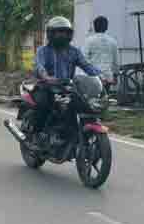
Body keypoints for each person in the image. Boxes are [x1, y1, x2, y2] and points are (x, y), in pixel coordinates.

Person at [29, 16, 102, 144]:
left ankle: (69, 133)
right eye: (58, 32)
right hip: (46, 87)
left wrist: (101, 76)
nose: (61, 35)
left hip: (67, 88)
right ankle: (37, 134)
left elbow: (86, 65)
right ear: (51, 33)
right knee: (43, 105)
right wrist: (46, 77)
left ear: (69, 34)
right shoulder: (43, 51)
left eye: (64, 32)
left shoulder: (74, 52)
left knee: (80, 106)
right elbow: (39, 66)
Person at [82, 15, 121, 87]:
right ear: (106, 27)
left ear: (94, 27)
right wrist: (115, 76)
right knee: (106, 97)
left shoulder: (89, 41)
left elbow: (84, 59)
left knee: (93, 97)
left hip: (93, 77)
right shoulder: (113, 41)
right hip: (108, 76)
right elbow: (116, 62)